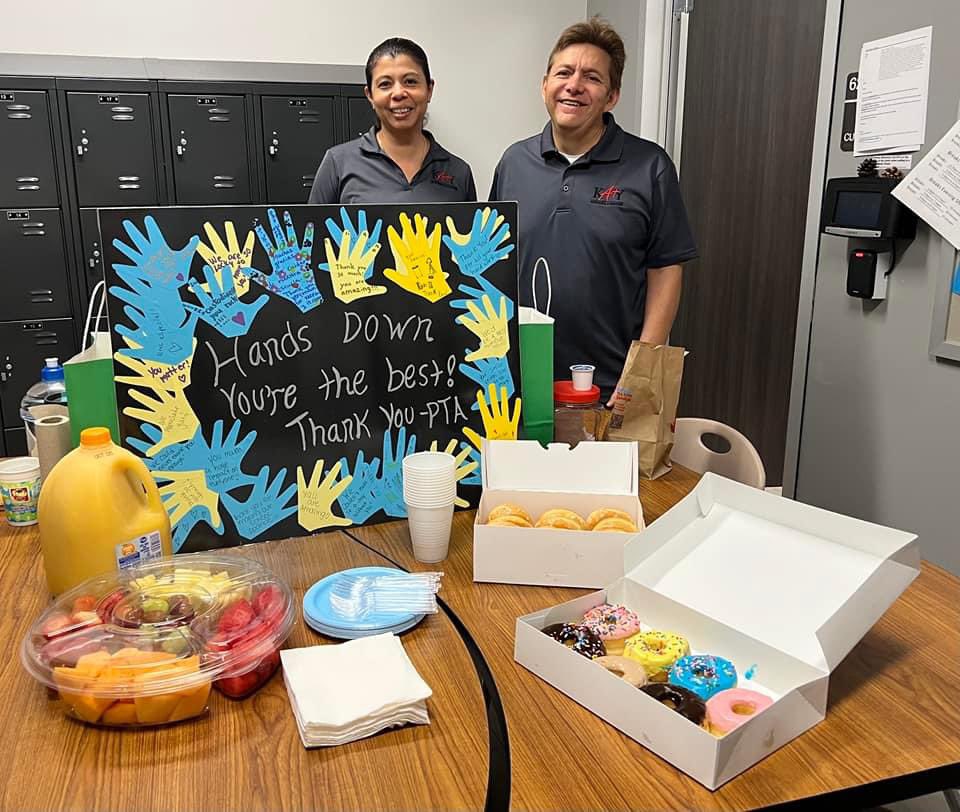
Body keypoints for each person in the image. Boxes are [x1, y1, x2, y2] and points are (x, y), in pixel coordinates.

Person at [489, 18, 697, 402]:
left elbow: (667, 268)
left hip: (612, 385)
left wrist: (641, 371)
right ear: (545, 84)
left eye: (592, 78)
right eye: (564, 73)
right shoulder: (513, 163)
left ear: (612, 96)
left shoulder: (649, 165)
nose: (574, 85)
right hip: (518, 380)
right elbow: (495, 266)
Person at [309, 37, 476, 204]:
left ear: (429, 90)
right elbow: (312, 228)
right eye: (385, 84)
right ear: (370, 95)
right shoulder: (338, 163)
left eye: (410, 82)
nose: (398, 93)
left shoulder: (459, 172)